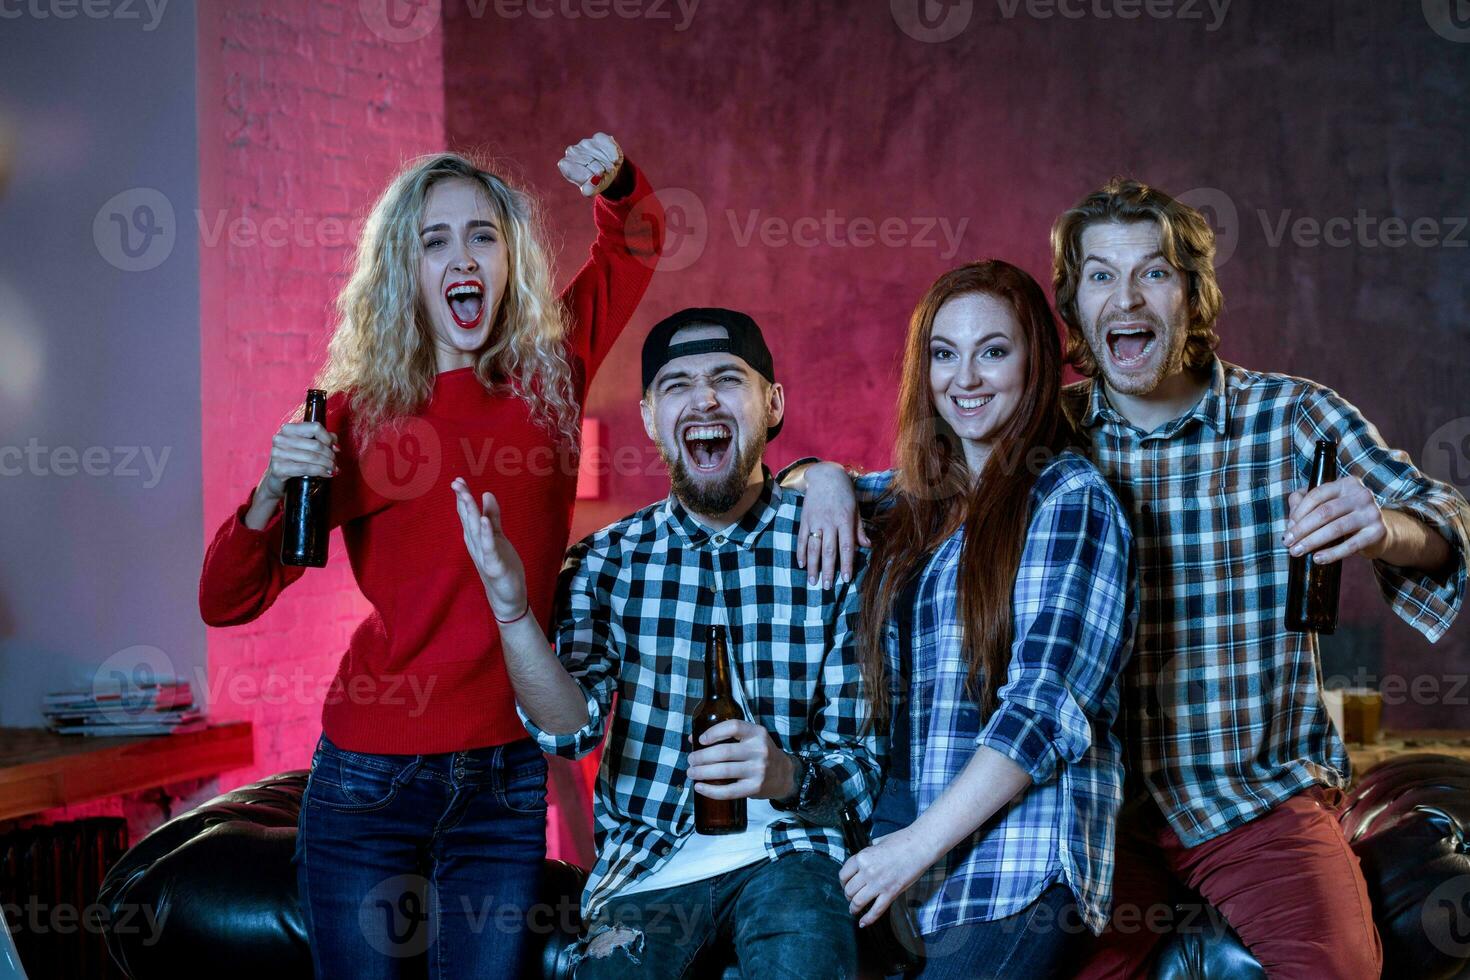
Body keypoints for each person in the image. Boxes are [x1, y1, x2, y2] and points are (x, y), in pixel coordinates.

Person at [198, 133, 662, 979]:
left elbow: (634, 243)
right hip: (368, 783)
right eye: (434, 239)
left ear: (508, 257)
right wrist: (269, 493)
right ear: (404, 272)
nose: (463, 256)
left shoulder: (550, 377)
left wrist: (616, 180)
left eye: (483, 234)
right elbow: (226, 601)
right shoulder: (356, 416)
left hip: (503, 781)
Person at [1046, 178, 1470, 978]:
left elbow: (1446, 519)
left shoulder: (1292, 418)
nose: (1126, 295)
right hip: (1095, 812)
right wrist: (819, 476)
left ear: (1193, 295)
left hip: (1253, 797)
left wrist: (1387, 528)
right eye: (1101, 274)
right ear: (1075, 301)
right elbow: (915, 490)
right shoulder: (1047, 432)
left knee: (1339, 970)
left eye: (1155, 272)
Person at [452, 307, 881, 979]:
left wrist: (784, 775)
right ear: (651, 418)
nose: (704, 398)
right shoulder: (605, 563)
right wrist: (511, 612)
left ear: (772, 404)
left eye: (727, 379)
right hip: (646, 870)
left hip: (791, 856)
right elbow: (569, 733)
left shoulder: (828, 540)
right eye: (677, 384)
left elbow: (859, 760)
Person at [789, 260, 1137, 978]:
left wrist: (915, 847)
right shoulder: (917, 502)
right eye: (944, 354)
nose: (966, 378)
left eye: (993, 351)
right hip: (895, 827)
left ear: (1034, 361)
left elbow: (1044, 709)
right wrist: (820, 476)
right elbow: (806, 486)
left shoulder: (1069, 500)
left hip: (1015, 851)